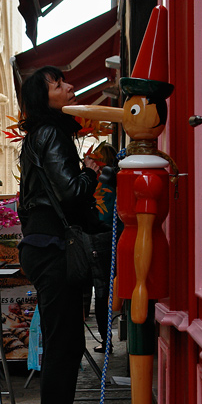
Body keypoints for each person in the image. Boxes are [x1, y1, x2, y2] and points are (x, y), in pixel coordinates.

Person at [17, 66, 105, 404]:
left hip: (44, 245)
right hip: (55, 248)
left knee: (63, 343)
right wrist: (90, 174)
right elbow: (70, 193)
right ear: (44, 96)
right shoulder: (52, 133)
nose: (69, 86)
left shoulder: (40, 135)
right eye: (58, 84)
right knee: (63, 345)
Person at [85, 142, 119, 352]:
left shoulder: (97, 182)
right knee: (109, 288)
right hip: (117, 236)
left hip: (98, 236)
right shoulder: (117, 179)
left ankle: (106, 341)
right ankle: (107, 339)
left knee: (101, 290)